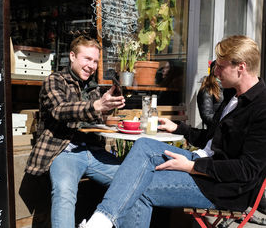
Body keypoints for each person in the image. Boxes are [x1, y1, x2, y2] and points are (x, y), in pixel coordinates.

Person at [80, 35, 266, 228]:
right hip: (203, 163)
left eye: (220, 66)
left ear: (241, 67)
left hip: (223, 188)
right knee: (144, 145)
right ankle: (101, 220)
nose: (215, 72)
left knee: (140, 189)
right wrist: (178, 128)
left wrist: (192, 167)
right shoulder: (233, 96)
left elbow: (247, 170)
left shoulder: (261, 107)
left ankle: (100, 222)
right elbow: (213, 141)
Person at [24, 35, 125, 228]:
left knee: (133, 179)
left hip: (94, 152)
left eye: (95, 61)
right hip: (64, 151)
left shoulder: (94, 88)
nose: (92, 65)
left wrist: (109, 106)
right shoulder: (55, 80)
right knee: (64, 191)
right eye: (87, 59)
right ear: (72, 56)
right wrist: (96, 106)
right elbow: (60, 109)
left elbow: (95, 118)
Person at [197, 60, 224, 128]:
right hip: (216, 130)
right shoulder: (208, 88)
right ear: (215, 70)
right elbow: (207, 115)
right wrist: (225, 124)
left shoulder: (231, 87)